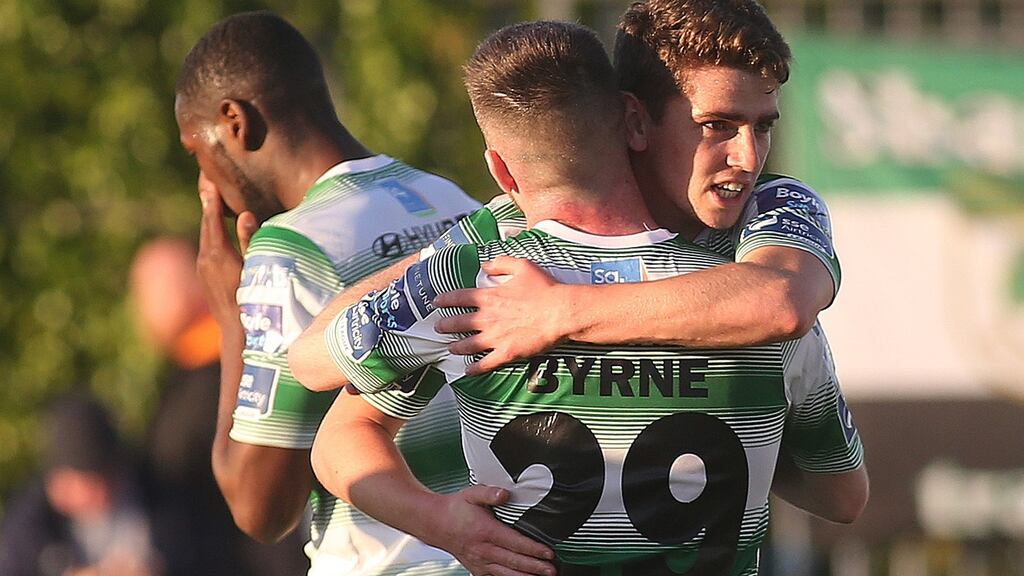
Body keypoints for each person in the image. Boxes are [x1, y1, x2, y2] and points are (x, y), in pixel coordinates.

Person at [304, 20, 865, 576]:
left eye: (763, 127)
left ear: (502, 171)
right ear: (633, 121)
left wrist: (557, 309)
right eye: (716, 125)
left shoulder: (486, 282)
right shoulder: (756, 301)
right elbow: (841, 494)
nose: (748, 157)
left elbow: (324, 397)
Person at [173, 11, 534, 576]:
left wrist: (231, 318)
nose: (205, 183)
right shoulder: (451, 199)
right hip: (500, 554)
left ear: (235, 122)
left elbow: (260, 509)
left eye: (197, 151)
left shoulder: (290, 248)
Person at [129, 237, 307, 576]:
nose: (141, 306)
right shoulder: (186, 374)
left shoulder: (224, 369)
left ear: (191, 285)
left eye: (149, 287)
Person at [0, 393, 160, 576]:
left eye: (108, 477)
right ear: (58, 482)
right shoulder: (28, 525)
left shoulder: (156, 497)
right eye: (89, 483)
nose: (102, 492)